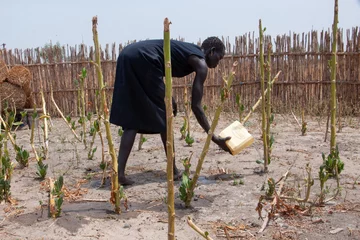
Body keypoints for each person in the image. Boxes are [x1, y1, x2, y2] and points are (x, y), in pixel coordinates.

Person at [110, 37, 231, 185]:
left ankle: (120, 173)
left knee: (135, 118)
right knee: (165, 117)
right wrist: (213, 137)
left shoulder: (189, 50)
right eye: (219, 58)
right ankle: (172, 170)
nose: (218, 63)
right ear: (211, 52)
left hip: (128, 55)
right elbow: (196, 106)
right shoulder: (201, 63)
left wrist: (168, 97)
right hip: (143, 58)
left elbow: (160, 65)